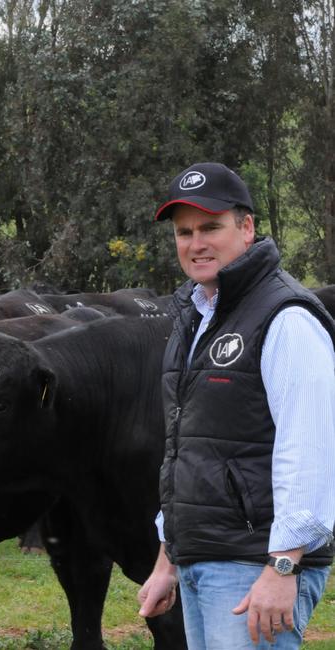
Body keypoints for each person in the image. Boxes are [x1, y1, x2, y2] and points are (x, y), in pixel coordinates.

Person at [137, 162, 335, 649]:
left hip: (256, 567)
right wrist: (169, 558)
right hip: (204, 560)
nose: (195, 243)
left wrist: (283, 566)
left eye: (210, 227)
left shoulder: (286, 318)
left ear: (246, 228)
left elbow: (309, 449)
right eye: (184, 232)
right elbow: (188, 451)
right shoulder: (195, 317)